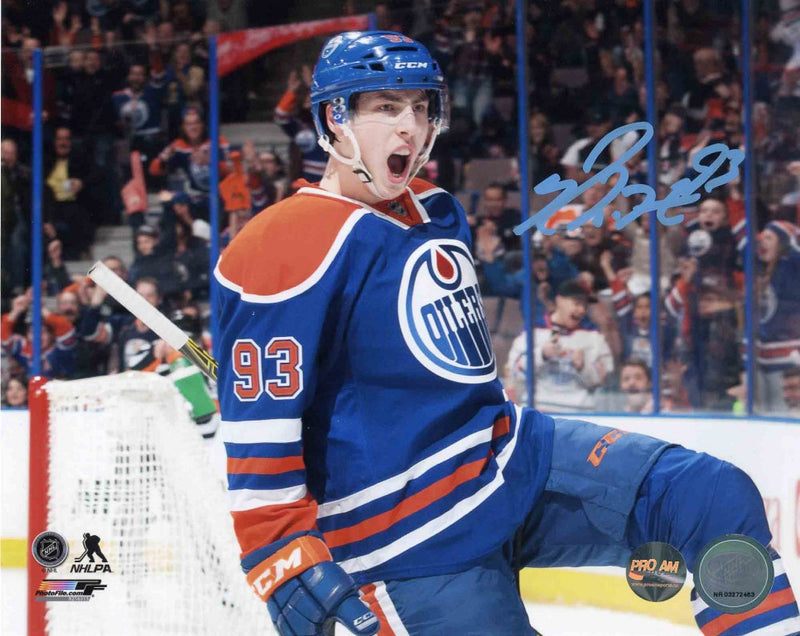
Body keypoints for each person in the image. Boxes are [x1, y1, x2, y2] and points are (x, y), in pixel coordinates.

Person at [212, 31, 800, 636]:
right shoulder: (281, 243)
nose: (409, 127)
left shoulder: (437, 208)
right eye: (386, 107)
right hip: (405, 537)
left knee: (707, 494)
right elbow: (261, 429)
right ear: (334, 120)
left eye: (419, 106)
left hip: (508, 459)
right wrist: (278, 557)